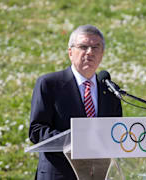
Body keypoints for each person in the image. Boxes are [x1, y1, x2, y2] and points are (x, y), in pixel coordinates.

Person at [29, 25, 123, 180]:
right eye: (83, 47)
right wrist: (77, 141)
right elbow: (36, 130)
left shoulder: (109, 90)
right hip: (59, 174)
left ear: (102, 54)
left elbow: (116, 131)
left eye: (95, 47)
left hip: (98, 174)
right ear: (70, 52)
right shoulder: (49, 84)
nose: (89, 52)